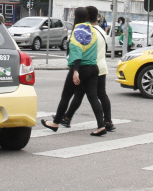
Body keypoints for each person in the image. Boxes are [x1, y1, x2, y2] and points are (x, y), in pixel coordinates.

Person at [41, 7, 106, 136]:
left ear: (76, 17)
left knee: (66, 96)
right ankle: (101, 125)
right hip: (93, 68)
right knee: (93, 97)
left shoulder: (77, 31)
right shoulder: (92, 30)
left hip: (81, 67)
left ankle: (55, 123)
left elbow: (76, 51)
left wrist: (75, 71)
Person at [61, 6, 114, 131]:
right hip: (101, 67)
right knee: (101, 94)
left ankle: (67, 118)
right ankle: (108, 121)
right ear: (96, 16)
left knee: (79, 94)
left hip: (89, 66)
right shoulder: (102, 31)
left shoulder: (88, 31)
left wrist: (76, 68)